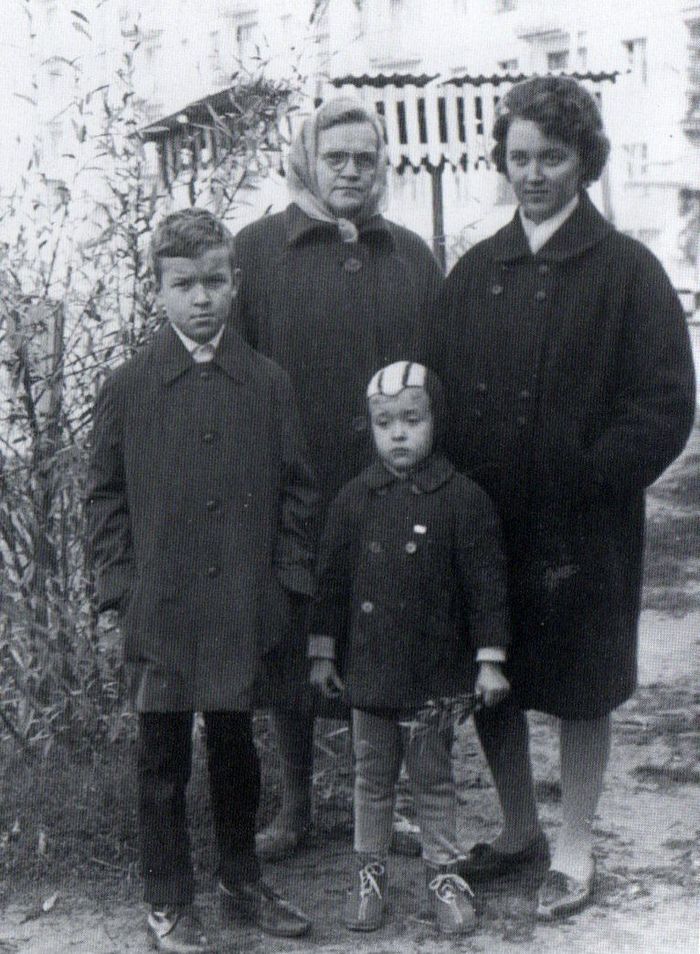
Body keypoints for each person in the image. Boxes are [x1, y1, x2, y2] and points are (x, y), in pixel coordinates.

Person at [421, 75, 696, 921]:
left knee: (583, 681)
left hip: (587, 526)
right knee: (494, 672)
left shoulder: (628, 271)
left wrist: (592, 476)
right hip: (491, 520)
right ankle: (519, 830)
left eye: (551, 157)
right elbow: (439, 392)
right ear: (501, 162)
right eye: (519, 157)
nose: (533, 174)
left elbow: (665, 402)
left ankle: (575, 844)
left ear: (585, 160)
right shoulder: (476, 272)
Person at [85, 209, 318, 953]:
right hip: (160, 605)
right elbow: (104, 498)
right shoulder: (128, 386)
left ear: (235, 283)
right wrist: (120, 588)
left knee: (235, 749)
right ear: (157, 290)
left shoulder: (268, 382)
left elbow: (299, 490)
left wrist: (284, 583)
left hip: (242, 603)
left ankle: (241, 881)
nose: (201, 298)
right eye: (183, 284)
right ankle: (167, 897)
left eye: (214, 281)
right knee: (161, 759)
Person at [233, 97, 445, 861]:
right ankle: (296, 808)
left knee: (396, 641)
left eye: (365, 158)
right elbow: (233, 371)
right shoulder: (256, 251)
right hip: (297, 487)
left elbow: (441, 374)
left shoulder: (411, 254)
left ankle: (400, 807)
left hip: (394, 488)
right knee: (292, 644)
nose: (351, 171)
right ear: (307, 162)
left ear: (382, 166)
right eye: (336, 158)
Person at [308, 361, 512, 936]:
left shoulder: (463, 498)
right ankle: (368, 878)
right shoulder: (354, 498)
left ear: (435, 420)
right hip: (370, 672)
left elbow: (487, 586)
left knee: (433, 779)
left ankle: (444, 877)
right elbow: (330, 583)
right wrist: (323, 652)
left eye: (412, 419)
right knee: (371, 777)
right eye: (384, 422)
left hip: (433, 677)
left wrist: (489, 661)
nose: (398, 433)